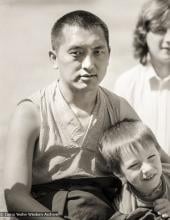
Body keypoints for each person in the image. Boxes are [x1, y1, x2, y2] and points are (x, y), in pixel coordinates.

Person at [4, 10, 140, 220]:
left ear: (109, 54)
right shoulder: (31, 113)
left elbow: (159, 164)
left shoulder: (118, 109)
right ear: (54, 57)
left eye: (98, 52)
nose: (89, 64)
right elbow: (14, 197)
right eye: (77, 53)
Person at [114, 0, 170, 155]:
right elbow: (122, 146)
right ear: (144, 33)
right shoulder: (126, 84)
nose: (169, 39)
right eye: (160, 30)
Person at [100, 120, 170, 219]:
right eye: (134, 165)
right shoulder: (125, 204)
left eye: (151, 157)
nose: (148, 168)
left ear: (159, 153)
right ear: (119, 173)